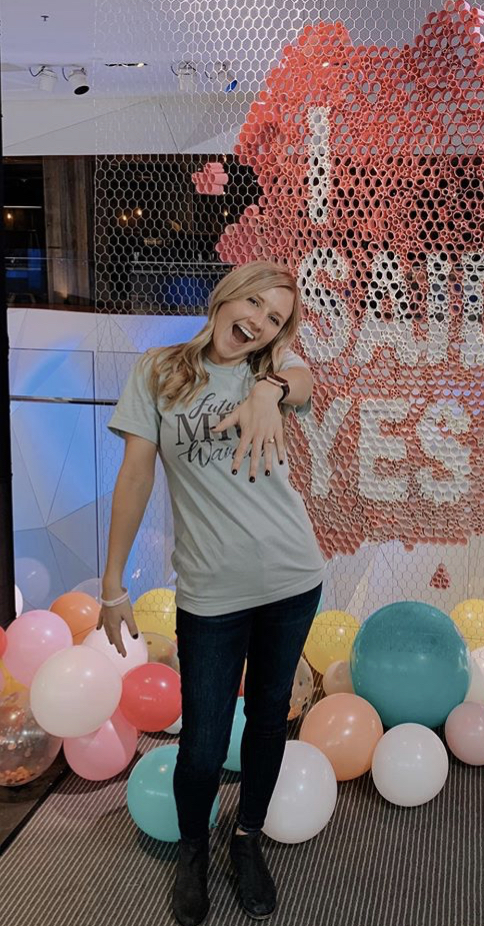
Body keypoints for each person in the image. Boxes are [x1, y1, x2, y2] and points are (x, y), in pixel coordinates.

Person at [97, 260, 326, 925]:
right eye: (253, 302)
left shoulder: (273, 366)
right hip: (210, 594)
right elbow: (137, 477)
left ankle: (247, 840)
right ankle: (195, 849)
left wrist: (267, 390)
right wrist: (113, 584)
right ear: (226, 295)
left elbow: (307, 380)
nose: (258, 320)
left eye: (276, 317)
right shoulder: (159, 370)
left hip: (291, 578)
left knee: (267, 718)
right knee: (200, 741)